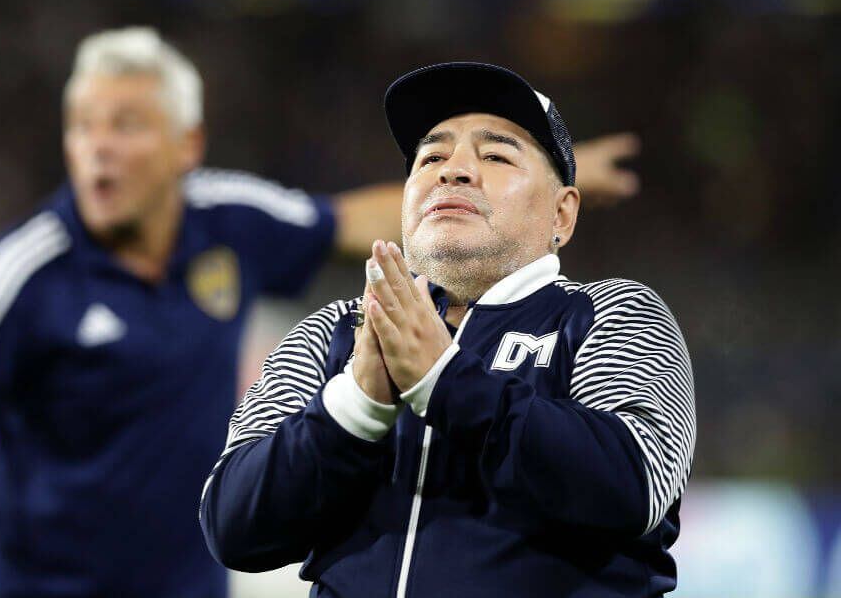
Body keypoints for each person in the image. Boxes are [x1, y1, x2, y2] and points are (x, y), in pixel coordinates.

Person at [0, 24, 644, 598]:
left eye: (126, 124)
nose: (97, 147)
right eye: (83, 125)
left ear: (186, 144)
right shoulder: (28, 266)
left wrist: (511, 182)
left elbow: (352, 217)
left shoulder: (231, 219)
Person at [200, 62, 696, 597]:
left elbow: (634, 486)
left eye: (496, 156)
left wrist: (448, 383)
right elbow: (232, 524)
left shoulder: (613, 312)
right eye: (432, 157)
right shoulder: (333, 333)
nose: (453, 171)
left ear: (562, 215)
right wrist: (355, 408)